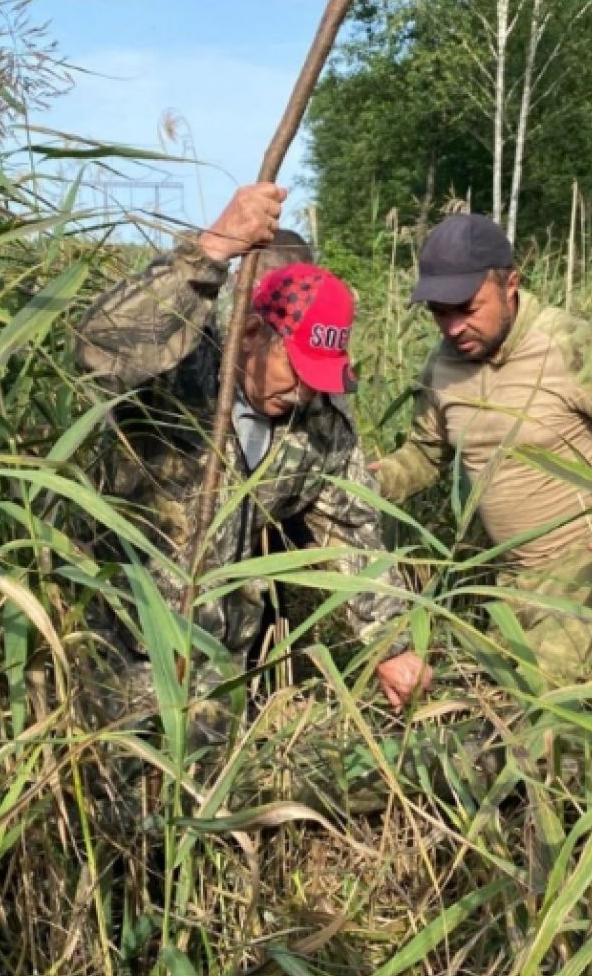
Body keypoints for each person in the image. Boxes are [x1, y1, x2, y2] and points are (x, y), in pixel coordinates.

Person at [75, 183, 431, 757]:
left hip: (219, 668)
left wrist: (392, 647)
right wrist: (210, 249)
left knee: (200, 814)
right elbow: (97, 346)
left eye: (321, 375)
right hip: (118, 654)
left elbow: (355, 531)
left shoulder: (318, 423)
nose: (303, 391)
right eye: (297, 368)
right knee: (115, 822)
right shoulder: (180, 370)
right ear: (249, 332)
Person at [372, 211, 592, 685]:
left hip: (585, 571)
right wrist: (364, 484)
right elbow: (424, 454)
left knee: (541, 716)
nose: (454, 327)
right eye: (440, 312)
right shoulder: (441, 367)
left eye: (467, 307)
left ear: (510, 283)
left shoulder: (572, 346)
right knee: (481, 712)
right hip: (506, 581)